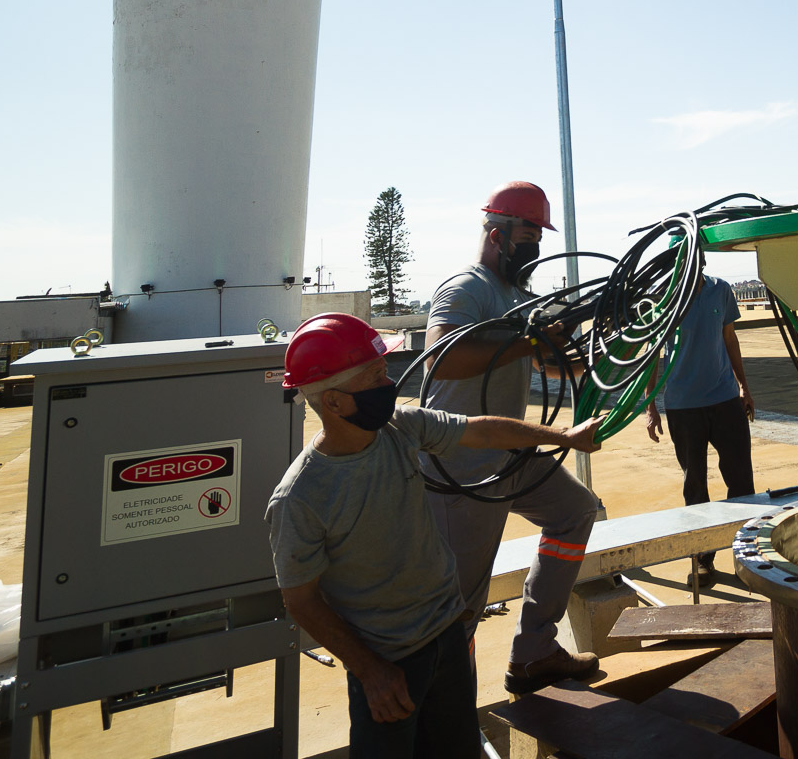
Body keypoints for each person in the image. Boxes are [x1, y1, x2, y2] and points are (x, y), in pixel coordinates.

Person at [267, 312, 601, 758]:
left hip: (447, 636)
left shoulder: (399, 429)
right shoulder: (300, 497)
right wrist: (370, 671)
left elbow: (480, 430)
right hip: (387, 663)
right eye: (375, 376)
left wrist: (563, 436)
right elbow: (300, 600)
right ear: (333, 402)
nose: (389, 383)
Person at [420, 181, 606, 696]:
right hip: (460, 463)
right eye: (528, 237)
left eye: (539, 239)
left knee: (575, 510)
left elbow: (542, 359)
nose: (535, 249)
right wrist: (527, 342)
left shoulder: (518, 297)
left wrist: (594, 358)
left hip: (507, 452)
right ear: (497, 235)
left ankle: (534, 652)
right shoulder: (467, 287)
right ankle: (451, 716)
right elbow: (440, 358)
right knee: (461, 603)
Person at [643, 262, 755, 582]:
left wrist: (744, 386)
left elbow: (729, 338)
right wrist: (650, 406)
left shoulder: (720, 289)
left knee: (742, 481)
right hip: (684, 406)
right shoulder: (663, 298)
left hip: (725, 399)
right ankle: (702, 558)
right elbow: (652, 354)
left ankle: (747, 556)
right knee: (695, 485)